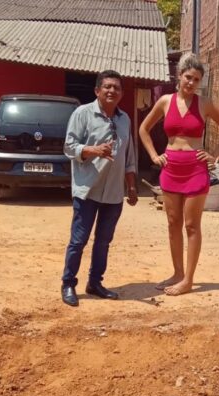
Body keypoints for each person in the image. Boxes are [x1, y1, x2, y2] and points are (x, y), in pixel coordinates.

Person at [138, 53, 219, 296]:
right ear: (179, 76)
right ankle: (177, 273)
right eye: (188, 77)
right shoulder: (165, 102)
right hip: (170, 168)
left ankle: (188, 279)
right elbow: (143, 129)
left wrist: (215, 154)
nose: (191, 83)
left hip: (195, 169)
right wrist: (153, 155)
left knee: (192, 225)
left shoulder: (204, 104)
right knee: (173, 224)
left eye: (196, 79)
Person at [60, 70, 138, 307]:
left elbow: (129, 155)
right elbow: (69, 147)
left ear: (122, 93)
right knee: (79, 240)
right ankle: (68, 284)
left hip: (114, 193)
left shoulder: (124, 119)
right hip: (88, 190)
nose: (112, 90)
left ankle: (95, 283)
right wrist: (93, 150)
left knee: (103, 241)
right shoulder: (82, 114)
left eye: (116, 87)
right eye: (107, 86)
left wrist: (131, 186)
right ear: (97, 90)